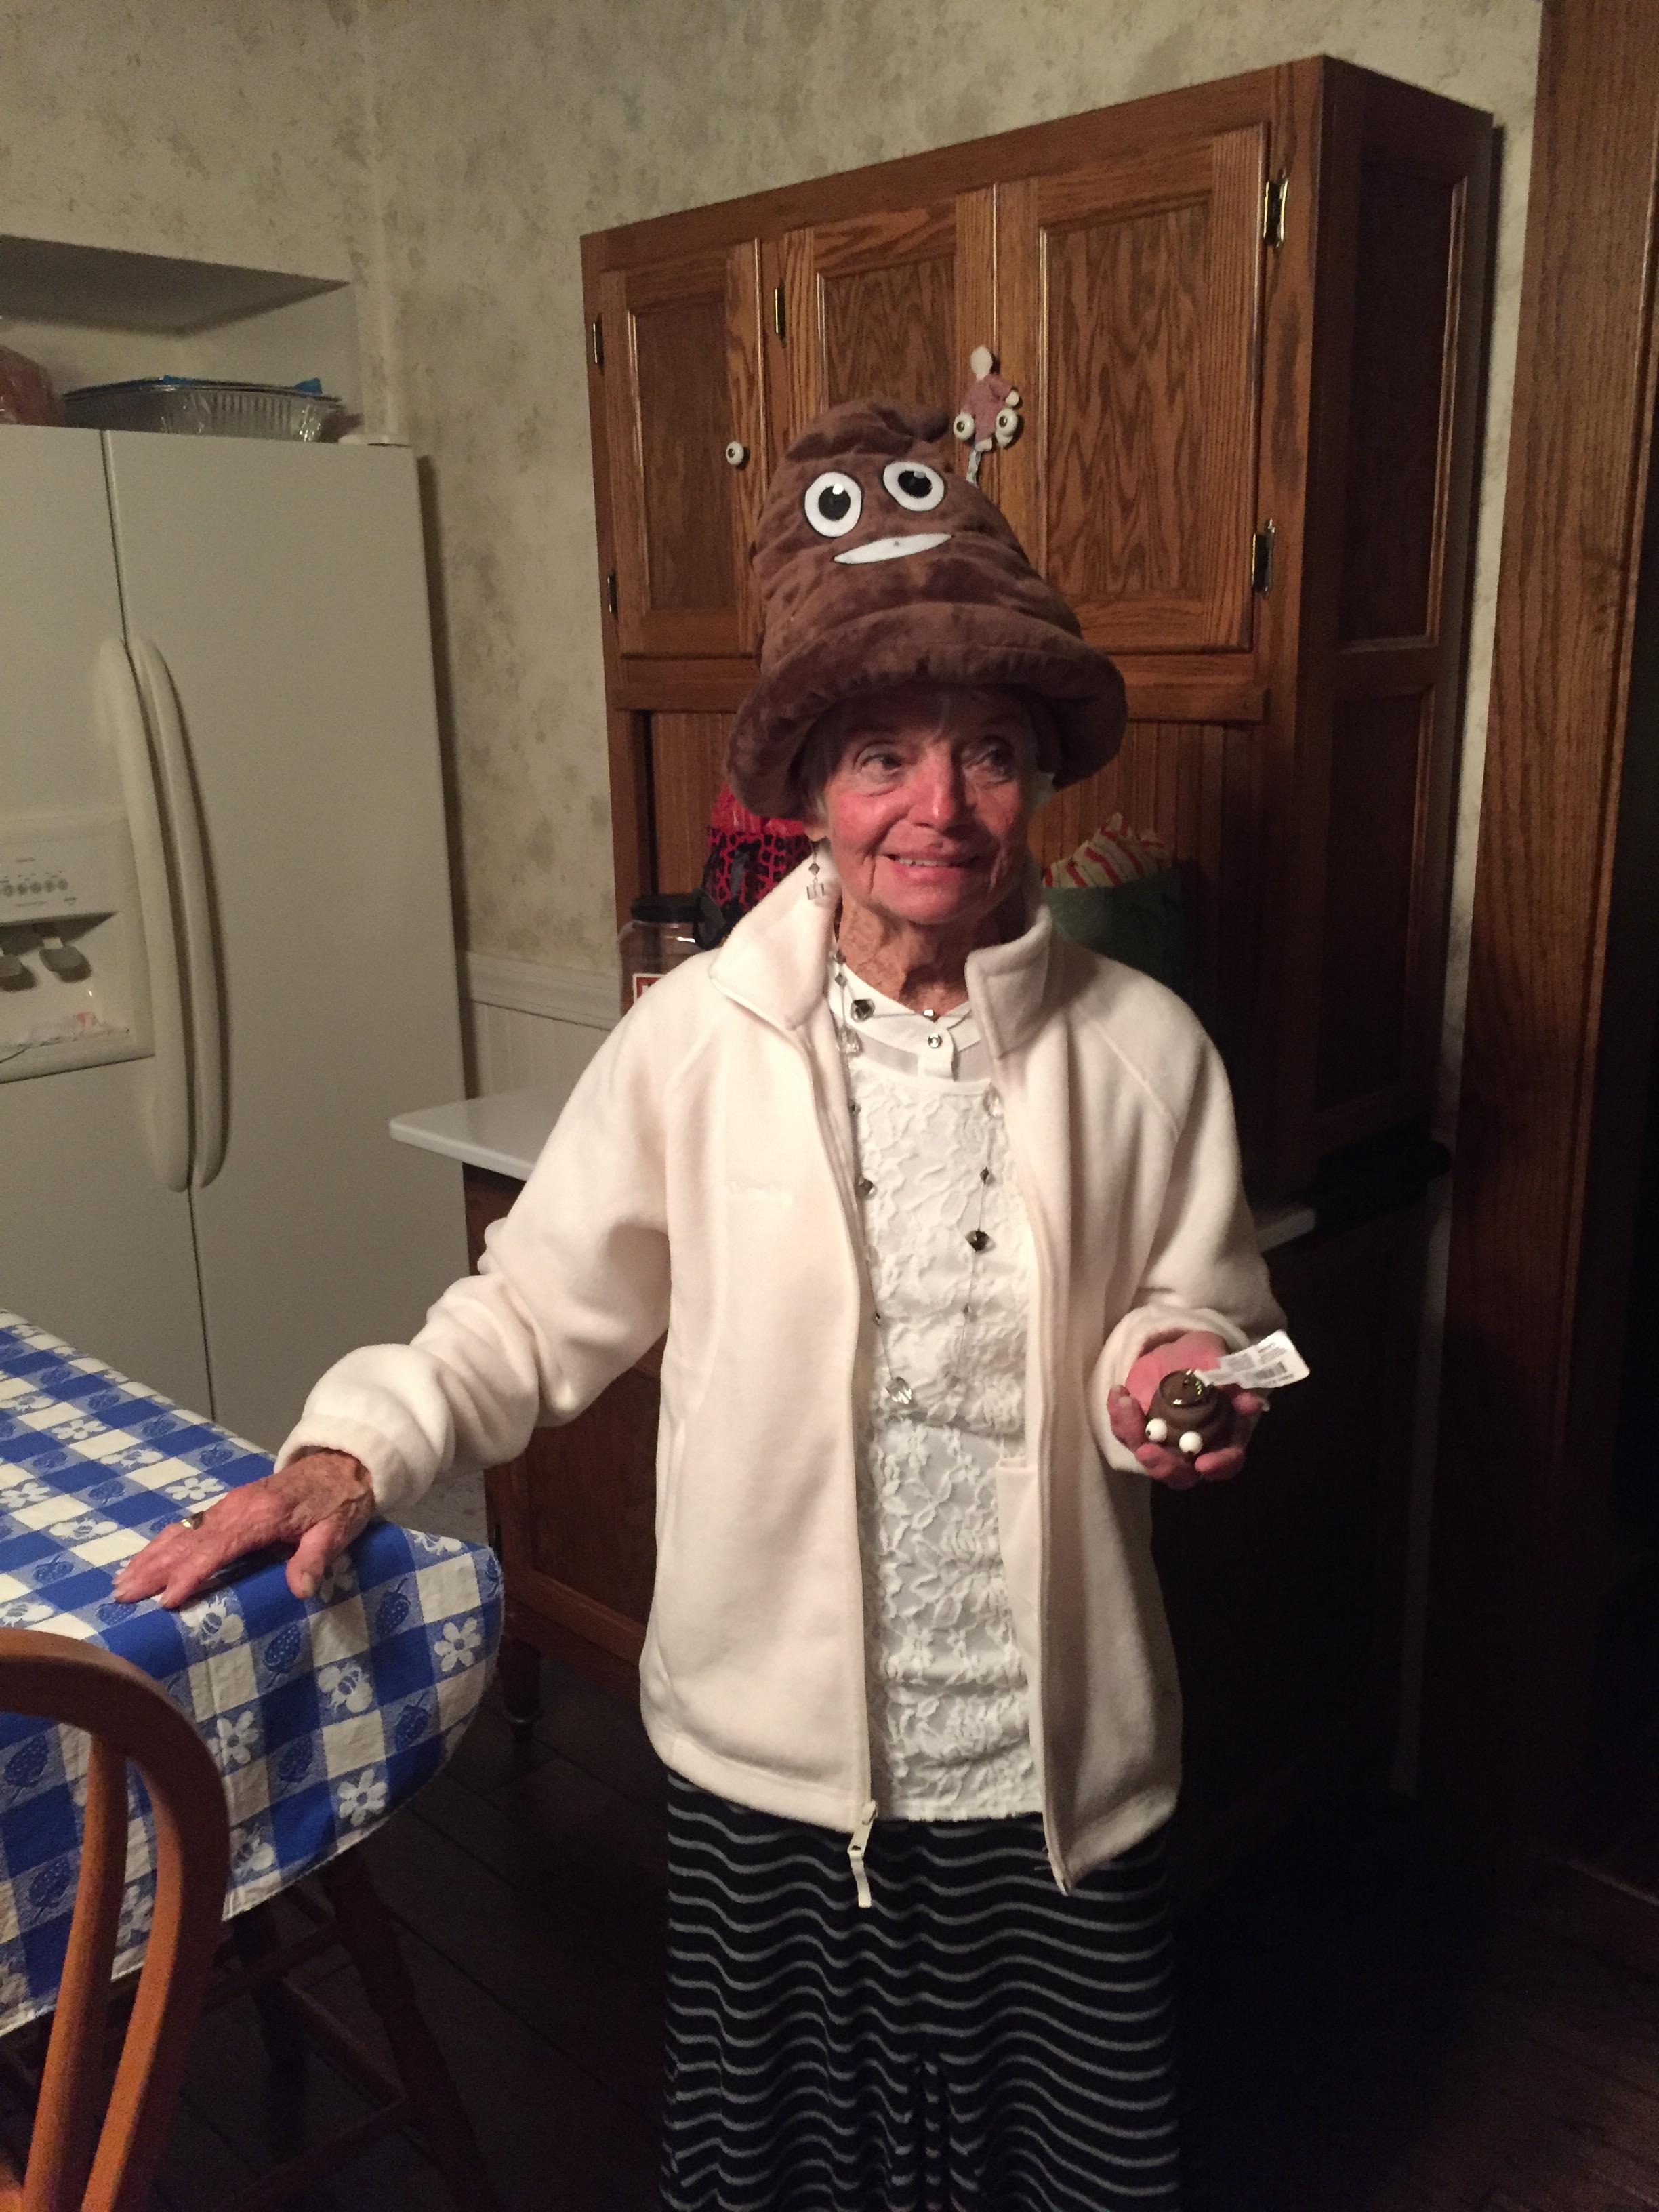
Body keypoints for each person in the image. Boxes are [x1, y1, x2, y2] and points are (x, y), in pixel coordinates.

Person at [116, 398, 1283, 2211]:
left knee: (1064, 2164)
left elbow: (1215, 1304)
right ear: (812, 783)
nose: (937, 808)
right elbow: (530, 1315)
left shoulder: (1147, 1051)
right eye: (884, 752)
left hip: (1052, 1748)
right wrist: (354, 1449)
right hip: (772, 1752)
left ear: (1040, 772)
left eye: (984, 750)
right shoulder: (696, 1045)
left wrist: (1182, 1363)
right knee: (785, 2165)